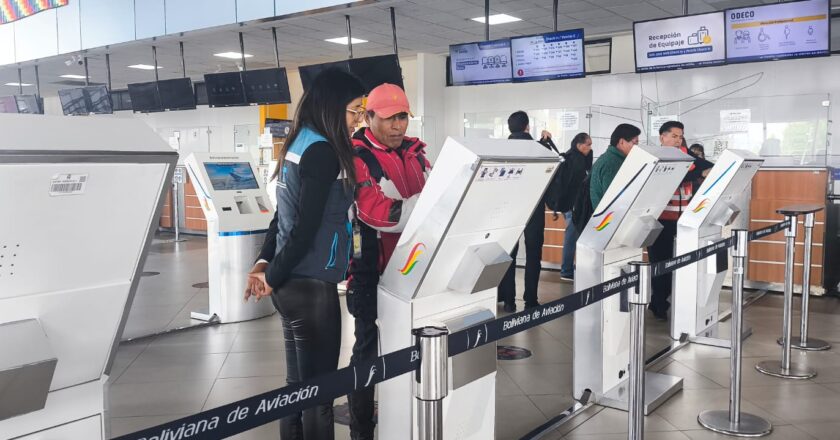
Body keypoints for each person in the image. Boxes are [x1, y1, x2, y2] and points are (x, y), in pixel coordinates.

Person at [246, 68, 366, 440]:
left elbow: (284, 216)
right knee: (320, 395)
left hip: (292, 286)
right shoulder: (323, 152)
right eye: (354, 111)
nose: (359, 120)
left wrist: (267, 265)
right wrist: (273, 274)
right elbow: (305, 228)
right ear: (332, 108)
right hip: (311, 284)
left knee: (296, 388)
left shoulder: (299, 143)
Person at [346, 83, 430, 440]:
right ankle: (362, 429)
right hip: (371, 272)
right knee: (366, 352)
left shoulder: (417, 153)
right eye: (389, 118)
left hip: (417, 268)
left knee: (416, 347)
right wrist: (429, 205)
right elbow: (376, 211)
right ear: (369, 117)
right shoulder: (357, 155)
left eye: (403, 117)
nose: (398, 126)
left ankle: (410, 420)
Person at [647, 121, 711, 320]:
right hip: (660, 220)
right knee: (661, 264)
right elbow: (673, 178)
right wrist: (697, 174)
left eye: (680, 136)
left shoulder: (687, 156)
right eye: (674, 136)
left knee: (682, 265)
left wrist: (698, 171)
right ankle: (658, 304)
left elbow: (709, 167)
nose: (678, 140)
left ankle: (675, 303)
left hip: (684, 221)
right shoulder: (657, 157)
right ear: (662, 137)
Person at [497, 110, 559, 312]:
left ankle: (508, 300)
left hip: (508, 209)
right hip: (534, 207)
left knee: (508, 254)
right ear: (527, 127)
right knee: (533, 254)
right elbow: (554, 168)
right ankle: (531, 299)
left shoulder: (501, 150)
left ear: (509, 128)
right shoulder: (538, 148)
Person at [558, 132, 593, 281]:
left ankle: (570, 269)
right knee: (571, 238)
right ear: (579, 145)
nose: (590, 148)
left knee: (574, 237)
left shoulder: (581, 159)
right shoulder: (574, 160)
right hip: (573, 206)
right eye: (588, 144)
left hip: (577, 205)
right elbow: (573, 186)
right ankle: (566, 271)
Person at [590, 124, 641, 209]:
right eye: (635, 143)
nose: (637, 147)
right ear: (621, 142)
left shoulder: (611, 158)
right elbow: (614, 200)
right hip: (610, 219)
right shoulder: (612, 163)